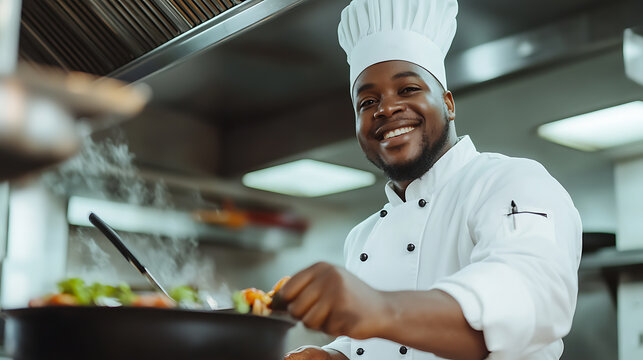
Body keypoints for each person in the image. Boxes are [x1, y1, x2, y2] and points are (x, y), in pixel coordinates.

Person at [273, 0, 583, 359]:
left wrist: (376, 309)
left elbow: (530, 298)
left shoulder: (510, 182)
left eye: (407, 90)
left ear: (449, 104)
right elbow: (376, 342)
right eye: (367, 102)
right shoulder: (362, 236)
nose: (385, 109)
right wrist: (335, 355)